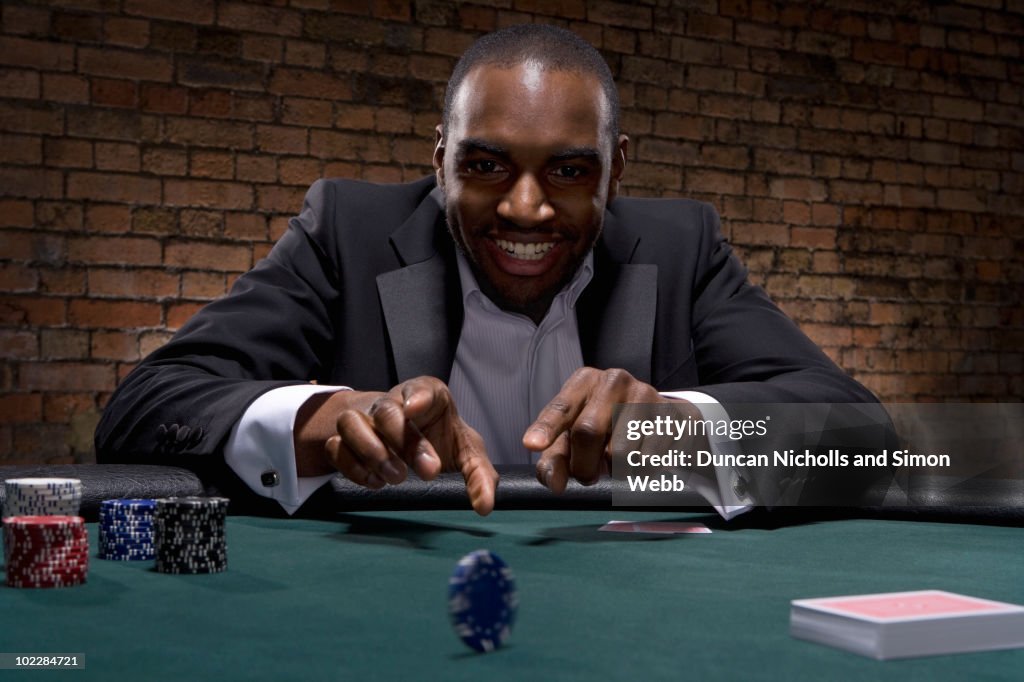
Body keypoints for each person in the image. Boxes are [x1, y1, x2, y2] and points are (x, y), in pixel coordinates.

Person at [95, 25, 881, 518]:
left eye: (571, 171)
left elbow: (858, 432)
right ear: (440, 161)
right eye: (487, 165)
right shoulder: (349, 230)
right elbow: (146, 407)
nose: (527, 209)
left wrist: (680, 428)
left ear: (615, 172)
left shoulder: (681, 249)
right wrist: (331, 421)